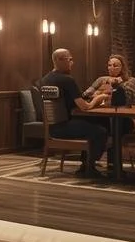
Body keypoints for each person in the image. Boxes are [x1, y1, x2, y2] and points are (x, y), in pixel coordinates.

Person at [38, 47, 110, 180]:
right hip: (65, 126)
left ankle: (86, 164)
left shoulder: (45, 80)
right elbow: (85, 107)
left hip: (52, 128)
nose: (72, 62)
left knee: (94, 124)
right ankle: (89, 167)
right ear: (59, 60)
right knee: (101, 131)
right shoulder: (67, 79)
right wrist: (99, 98)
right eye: (70, 59)